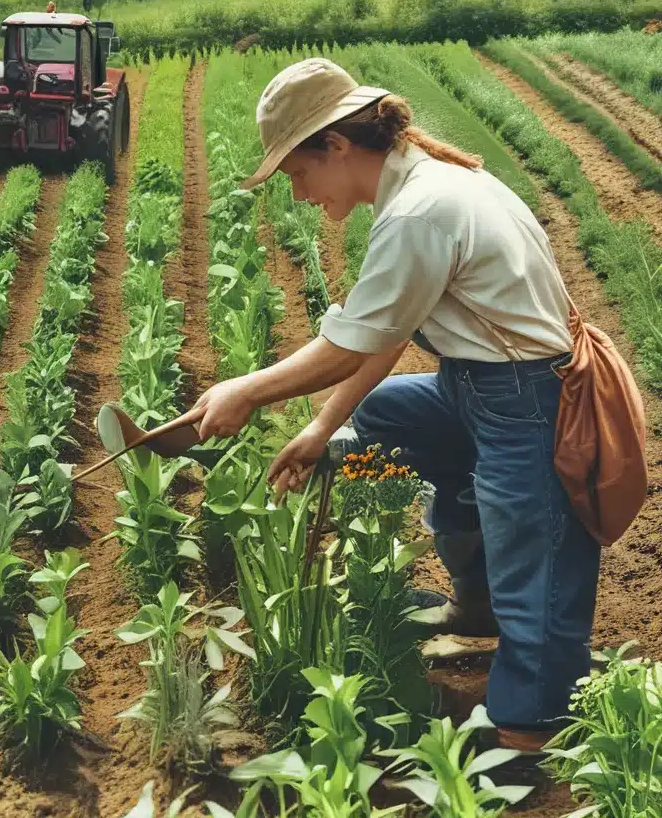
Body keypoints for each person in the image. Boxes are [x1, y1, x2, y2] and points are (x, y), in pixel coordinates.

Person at [191, 57, 601, 752]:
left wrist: (247, 392)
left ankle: (526, 730)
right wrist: (323, 426)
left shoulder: (421, 209)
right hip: (473, 384)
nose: (298, 196)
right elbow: (389, 329)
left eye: (296, 174)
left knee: (537, 556)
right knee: (381, 415)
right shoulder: (422, 185)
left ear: (338, 147)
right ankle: (478, 598)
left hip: (527, 399)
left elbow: (349, 346)